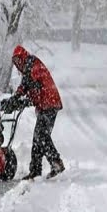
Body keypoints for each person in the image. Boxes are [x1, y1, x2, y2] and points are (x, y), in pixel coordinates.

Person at [6, 45, 65, 180]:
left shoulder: (33, 66)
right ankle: (35, 170)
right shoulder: (29, 67)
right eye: (15, 63)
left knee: (41, 136)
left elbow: (35, 88)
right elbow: (24, 86)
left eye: (17, 61)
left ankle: (56, 163)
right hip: (46, 105)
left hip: (49, 104)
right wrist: (15, 99)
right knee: (38, 137)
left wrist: (24, 101)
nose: (16, 66)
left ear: (22, 58)